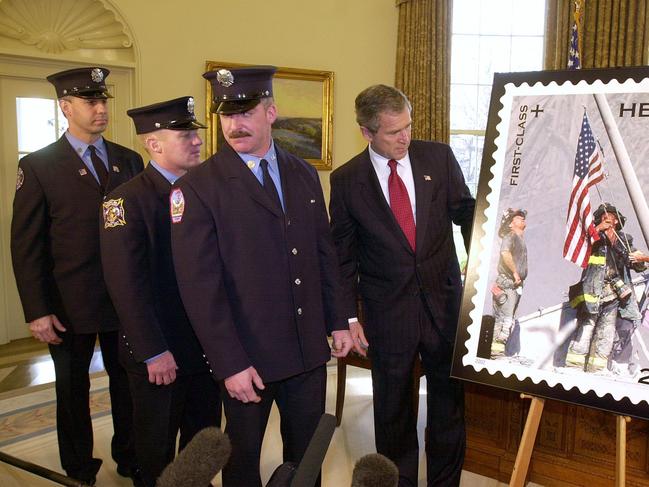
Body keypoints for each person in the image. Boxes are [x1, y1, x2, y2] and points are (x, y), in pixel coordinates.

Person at [170, 66, 353, 487]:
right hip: (246, 360)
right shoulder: (198, 188)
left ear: (271, 112)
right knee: (241, 465)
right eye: (227, 115)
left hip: (307, 353)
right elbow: (200, 289)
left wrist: (338, 319)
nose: (235, 124)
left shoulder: (302, 173)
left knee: (307, 462)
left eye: (246, 112)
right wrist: (229, 363)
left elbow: (323, 254)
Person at [329, 84, 475, 487]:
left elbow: (467, 215)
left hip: (444, 305)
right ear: (367, 132)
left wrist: (484, 273)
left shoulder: (438, 158)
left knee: (448, 408)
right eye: (394, 132)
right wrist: (347, 316)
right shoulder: (346, 181)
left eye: (408, 127)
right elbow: (342, 257)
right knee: (393, 411)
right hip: (387, 312)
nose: (405, 138)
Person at [10, 67, 143, 485]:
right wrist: (37, 310)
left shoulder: (128, 160)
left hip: (122, 301)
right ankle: (78, 468)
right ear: (65, 107)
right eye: (90, 102)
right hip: (68, 303)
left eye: (103, 101)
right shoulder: (39, 166)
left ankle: (130, 455)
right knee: (71, 389)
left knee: (128, 384)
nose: (101, 109)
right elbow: (27, 246)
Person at [99, 97, 222, 487]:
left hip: (205, 350)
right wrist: (153, 351)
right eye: (184, 134)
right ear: (153, 144)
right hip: (160, 354)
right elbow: (126, 286)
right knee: (156, 455)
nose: (197, 141)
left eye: (195, 134)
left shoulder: (205, 193)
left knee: (201, 451)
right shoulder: (125, 201)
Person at [568, 203, 648, 374]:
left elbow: (638, 266)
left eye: (610, 214)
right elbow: (580, 246)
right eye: (602, 215)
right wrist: (596, 229)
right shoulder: (592, 237)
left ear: (617, 221)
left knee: (606, 331)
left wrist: (640, 259)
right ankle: (573, 366)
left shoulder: (624, 240)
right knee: (586, 327)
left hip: (613, 294)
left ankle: (597, 369)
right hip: (592, 292)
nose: (606, 216)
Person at [492, 208, 528, 348]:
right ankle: (494, 353)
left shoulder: (519, 239)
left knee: (508, 321)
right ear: (510, 224)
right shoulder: (510, 236)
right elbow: (505, 253)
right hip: (507, 284)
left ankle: (497, 352)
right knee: (503, 322)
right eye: (517, 217)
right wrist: (514, 273)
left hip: (515, 286)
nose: (522, 218)